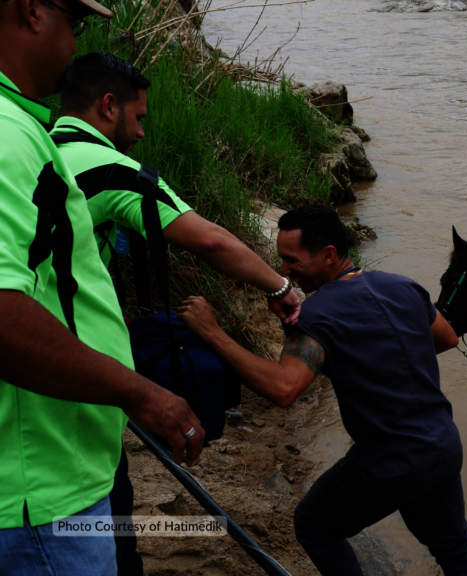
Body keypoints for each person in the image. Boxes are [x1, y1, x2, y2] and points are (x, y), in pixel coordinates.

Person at [48, 50, 303, 576]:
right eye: (138, 118)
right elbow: (207, 238)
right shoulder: (108, 168)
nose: (141, 134)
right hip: (72, 380)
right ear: (108, 106)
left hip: (50, 363)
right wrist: (279, 286)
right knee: (104, 510)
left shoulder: (43, 149)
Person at [0, 0, 205, 573]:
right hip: (38, 494)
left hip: (49, 469)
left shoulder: (30, 131)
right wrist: (141, 393)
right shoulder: (9, 138)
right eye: (77, 22)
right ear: (31, 11)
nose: (75, 43)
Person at [179, 204, 467, 576]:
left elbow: (284, 388)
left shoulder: (316, 314)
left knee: (315, 526)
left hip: (391, 460)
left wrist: (212, 333)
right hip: (443, 446)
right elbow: (447, 338)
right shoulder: (402, 285)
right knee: (454, 549)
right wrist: (375, 355)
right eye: (281, 261)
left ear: (328, 255)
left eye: (292, 260)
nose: (283, 272)